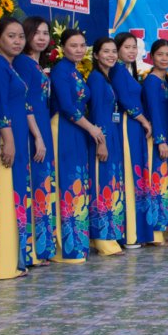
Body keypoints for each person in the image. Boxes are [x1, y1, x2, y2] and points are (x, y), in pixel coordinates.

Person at [0, 16, 34, 279]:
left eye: (21, 36)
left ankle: (14, 261)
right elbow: (0, 105)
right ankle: (2, 264)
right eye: (11, 36)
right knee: (4, 197)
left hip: (16, 136)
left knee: (15, 196)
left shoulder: (9, 65)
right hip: (5, 140)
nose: (17, 41)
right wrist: (9, 140)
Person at [49, 28, 103, 263]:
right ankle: (64, 247)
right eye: (73, 45)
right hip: (64, 128)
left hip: (78, 130)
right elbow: (67, 106)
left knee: (77, 181)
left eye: (82, 45)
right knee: (66, 181)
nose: (79, 50)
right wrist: (91, 128)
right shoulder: (61, 70)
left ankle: (77, 243)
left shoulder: (75, 70)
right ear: (62, 48)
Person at [16, 17, 57, 264]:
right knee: (33, 185)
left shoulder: (36, 65)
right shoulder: (22, 63)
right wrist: (37, 136)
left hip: (42, 128)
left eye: (45, 33)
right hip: (33, 132)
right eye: (36, 33)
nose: (42, 38)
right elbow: (25, 103)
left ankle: (41, 248)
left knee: (42, 185)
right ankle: (30, 251)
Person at [110, 32, 155, 248]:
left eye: (134, 47)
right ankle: (129, 234)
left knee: (136, 175)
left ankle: (137, 230)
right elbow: (126, 101)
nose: (131, 51)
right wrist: (145, 121)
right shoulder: (118, 70)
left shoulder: (130, 70)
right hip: (128, 124)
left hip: (134, 126)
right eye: (127, 47)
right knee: (128, 174)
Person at [87, 37, 125, 256]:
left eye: (113, 52)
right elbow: (97, 113)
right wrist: (101, 143)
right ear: (95, 55)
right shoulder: (96, 79)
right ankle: (103, 239)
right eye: (106, 51)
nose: (111, 55)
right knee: (103, 186)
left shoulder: (106, 78)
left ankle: (108, 236)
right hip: (103, 137)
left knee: (111, 184)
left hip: (111, 135)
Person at [141, 40, 168, 244]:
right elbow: (154, 112)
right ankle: (154, 232)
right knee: (156, 183)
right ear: (151, 56)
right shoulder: (152, 81)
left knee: (163, 183)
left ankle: (163, 230)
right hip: (156, 138)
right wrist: (160, 141)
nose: (164, 58)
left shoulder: (167, 80)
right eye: (160, 54)